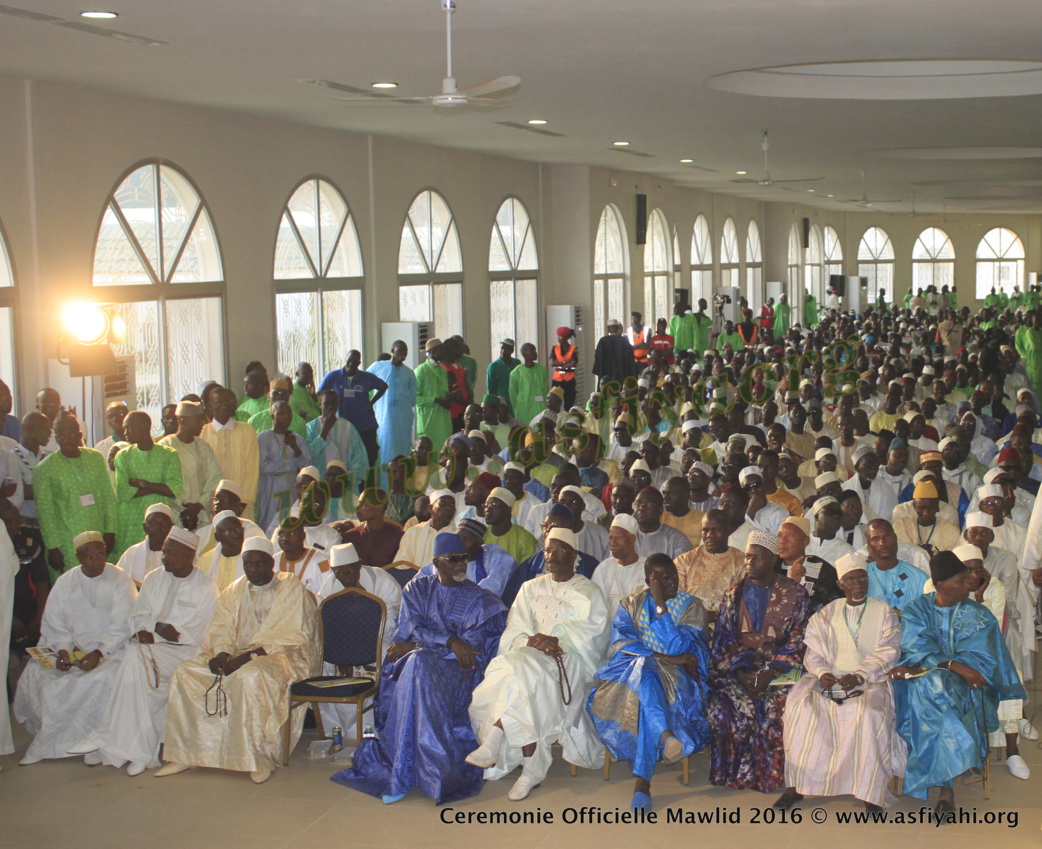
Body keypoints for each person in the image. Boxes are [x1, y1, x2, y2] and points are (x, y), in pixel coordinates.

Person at [332, 532, 506, 804]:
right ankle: (422, 773)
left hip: (459, 676)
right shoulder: (417, 589)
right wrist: (448, 640)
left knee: (418, 664)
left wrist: (417, 646)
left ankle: (401, 773)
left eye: (464, 558)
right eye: (453, 559)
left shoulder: (480, 599)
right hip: (417, 667)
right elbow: (408, 629)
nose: (461, 564)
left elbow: (469, 654)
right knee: (418, 666)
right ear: (437, 562)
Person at [156, 536, 320, 784]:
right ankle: (187, 753)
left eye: (259, 564)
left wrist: (247, 657)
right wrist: (222, 653)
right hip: (237, 654)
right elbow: (221, 626)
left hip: (282, 657)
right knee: (186, 672)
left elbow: (288, 634)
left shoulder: (289, 585)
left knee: (249, 676)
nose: (253, 570)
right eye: (248, 565)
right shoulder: (235, 588)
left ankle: (256, 757)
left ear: (270, 562)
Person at [467, 527, 610, 801]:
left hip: (568, 659)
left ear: (573, 554)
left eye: (558, 549)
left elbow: (595, 635)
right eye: (547, 549)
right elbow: (514, 629)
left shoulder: (589, 591)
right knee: (516, 671)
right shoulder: (530, 587)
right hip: (528, 653)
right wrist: (533, 640)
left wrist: (555, 638)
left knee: (517, 674)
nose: (551, 555)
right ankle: (531, 768)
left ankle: (496, 737)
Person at [70, 527, 218, 775]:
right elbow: (139, 615)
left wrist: (158, 632)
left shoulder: (205, 586)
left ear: (190, 555)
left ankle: (106, 737)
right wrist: (153, 627)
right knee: (136, 666)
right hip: (149, 649)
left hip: (185, 653)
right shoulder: (153, 578)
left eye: (172, 554)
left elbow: (194, 633)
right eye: (164, 553)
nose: (165, 558)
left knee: (133, 659)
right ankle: (139, 752)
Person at [890, 551, 1025, 813]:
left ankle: (944, 784)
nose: (969, 584)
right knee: (936, 686)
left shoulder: (979, 614)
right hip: (918, 686)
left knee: (939, 688)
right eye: (962, 580)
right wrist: (953, 665)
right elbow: (915, 646)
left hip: (967, 690)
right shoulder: (917, 609)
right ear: (941, 585)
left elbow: (983, 662)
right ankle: (950, 782)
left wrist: (942, 666)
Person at [776, 554, 905, 811]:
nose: (858, 584)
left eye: (862, 578)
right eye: (851, 580)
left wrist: (860, 674)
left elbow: (890, 650)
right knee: (801, 709)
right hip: (829, 679)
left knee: (866, 714)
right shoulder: (827, 613)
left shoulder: (884, 611)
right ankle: (796, 787)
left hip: (870, 680)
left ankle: (870, 792)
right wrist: (823, 672)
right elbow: (813, 652)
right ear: (840, 584)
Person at [588, 554, 711, 812]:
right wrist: (663, 657)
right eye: (661, 579)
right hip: (631, 675)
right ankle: (665, 738)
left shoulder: (691, 605)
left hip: (679, 682)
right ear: (648, 580)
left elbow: (682, 647)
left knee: (644, 680)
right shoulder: (630, 604)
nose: (670, 583)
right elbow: (620, 645)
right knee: (644, 669)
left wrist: (659, 603)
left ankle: (643, 783)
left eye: (673, 577)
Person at [13, 530, 137, 764]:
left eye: (101, 554)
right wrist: (61, 651)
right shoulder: (65, 582)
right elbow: (54, 624)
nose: (97, 561)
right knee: (39, 673)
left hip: (112, 652)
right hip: (72, 651)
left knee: (101, 679)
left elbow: (122, 627)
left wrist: (99, 654)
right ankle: (53, 743)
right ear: (79, 557)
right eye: (90, 557)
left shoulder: (120, 579)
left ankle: (95, 742)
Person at [708, 530, 811, 792]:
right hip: (739, 669)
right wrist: (742, 673)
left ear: (773, 559)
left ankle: (770, 777)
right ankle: (735, 775)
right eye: (747, 558)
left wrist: (771, 672)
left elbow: (799, 640)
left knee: (776, 707)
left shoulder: (796, 593)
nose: (749, 563)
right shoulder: (733, 595)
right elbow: (723, 639)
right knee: (724, 706)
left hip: (781, 669)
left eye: (756, 558)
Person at [34, 411, 117, 581]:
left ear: (80, 435)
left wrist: (111, 531)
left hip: (99, 537)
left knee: (103, 588)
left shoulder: (94, 458)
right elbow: (45, 512)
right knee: (72, 592)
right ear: (56, 438)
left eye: (72, 434)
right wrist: (53, 548)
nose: (67, 439)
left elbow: (108, 497)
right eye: (61, 435)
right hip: (67, 544)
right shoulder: (45, 469)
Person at [112, 410, 182, 559]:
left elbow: (173, 488)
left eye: (130, 427)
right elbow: (124, 493)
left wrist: (142, 484)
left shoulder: (169, 454)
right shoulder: (123, 456)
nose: (125, 432)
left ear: (145, 426)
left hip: (159, 524)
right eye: (124, 428)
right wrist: (158, 487)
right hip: (130, 522)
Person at [159, 400, 223, 531]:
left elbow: (215, 478)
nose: (202, 425)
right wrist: (184, 510)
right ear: (182, 420)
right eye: (198, 420)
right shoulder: (165, 446)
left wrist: (198, 505)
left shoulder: (203, 447)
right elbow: (164, 483)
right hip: (176, 516)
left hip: (201, 514)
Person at [318, 349, 388, 468]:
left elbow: (383, 386)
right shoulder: (334, 376)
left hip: (365, 426)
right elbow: (320, 393)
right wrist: (328, 408)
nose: (351, 364)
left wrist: (371, 402)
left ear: (359, 363)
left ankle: (368, 485)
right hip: (344, 426)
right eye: (350, 361)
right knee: (347, 459)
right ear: (345, 359)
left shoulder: (365, 377)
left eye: (355, 362)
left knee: (368, 459)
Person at [200, 387, 261, 516]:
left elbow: (252, 469)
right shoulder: (202, 433)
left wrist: (243, 502)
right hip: (212, 506)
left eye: (227, 402)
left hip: (241, 506)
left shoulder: (247, 431)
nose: (224, 406)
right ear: (210, 406)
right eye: (218, 402)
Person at [673, 508, 746, 613]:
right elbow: (675, 596)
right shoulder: (685, 560)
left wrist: (717, 615)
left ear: (728, 530)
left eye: (716, 530)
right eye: (705, 530)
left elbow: (743, 601)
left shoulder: (741, 562)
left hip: (725, 622)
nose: (710, 535)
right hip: (687, 618)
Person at [257, 400, 312, 529]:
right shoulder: (264, 437)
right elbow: (264, 466)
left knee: (291, 522)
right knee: (269, 525)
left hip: (292, 489)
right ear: (272, 416)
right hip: (271, 490)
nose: (286, 417)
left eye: (288, 414)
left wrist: (295, 447)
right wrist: (292, 465)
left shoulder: (297, 439)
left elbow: (307, 466)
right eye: (281, 413)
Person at [368, 340, 417, 464]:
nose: (403, 354)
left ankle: (403, 481)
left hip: (403, 419)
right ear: (392, 350)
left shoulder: (409, 373)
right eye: (400, 350)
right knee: (385, 449)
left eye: (405, 352)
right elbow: (363, 381)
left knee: (403, 450)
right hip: (384, 418)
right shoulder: (378, 367)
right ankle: (385, 483)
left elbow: (412, 400)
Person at [863, 518, 927, 613]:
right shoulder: (863, 576)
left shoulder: (919, 578)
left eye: (887, 537)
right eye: (875, 539)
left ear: (895, 538)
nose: (882, 543)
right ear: (868, 545)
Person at [591, 513, 646, 618]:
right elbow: (595, 608)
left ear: (632, 539)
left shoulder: (646, 568)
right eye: (611, 538)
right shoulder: (603, 568)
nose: (613, 542)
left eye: (618, 538)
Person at [342, 488, 405, 568]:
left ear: (380, 507)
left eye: (364, 504)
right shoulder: (351, 536)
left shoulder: (397, 537)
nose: (357, 508)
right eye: (358, 503)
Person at [115, 503, 174, 586]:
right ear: (145, 526)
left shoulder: (178, 554)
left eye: (163, 523)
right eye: (153, 522)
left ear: (171, 527)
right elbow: (118, 582)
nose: (158, 527)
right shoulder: (131, 553)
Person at [415, 338, 453, 454]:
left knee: (444, 452)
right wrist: (435, 400)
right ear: (432, 351)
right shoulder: (421, 370)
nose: (444, 352)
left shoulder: (443, 370)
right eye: (441, 349)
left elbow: (445, 392)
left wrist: (449, 398)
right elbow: (414, 398)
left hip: (443, 420)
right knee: (429, 454)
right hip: (428, 421)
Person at [509, 342, 549, 426]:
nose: (535, 353)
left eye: (535, 351)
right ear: (523, 353)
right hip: (524, 411)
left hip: (540, 409)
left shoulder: (542, 370)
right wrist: (518, 409)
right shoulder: (516, 373)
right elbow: (513, 396)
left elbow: (546, 391)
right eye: (531, 351)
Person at [593, 319, 637, 385]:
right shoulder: (624, 341)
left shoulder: (603, 341)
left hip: (605, 375)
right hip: (621, 375)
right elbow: (630, 359)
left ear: (608, 329)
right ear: (618, 328)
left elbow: (598, 358)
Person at [486, 338, 520, 415]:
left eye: (506, 348)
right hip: (501, 403)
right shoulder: (493, 366)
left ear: (512, 350)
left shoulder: (517, 363)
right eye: (502, 348)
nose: (503, 351)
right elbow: (490, 390)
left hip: (517, 402)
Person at [550, 326, 579, 409]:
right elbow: (552, 363)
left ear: (567, 337)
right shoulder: (555, 348)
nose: (559, 338)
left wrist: (560, 364)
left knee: (569, 402)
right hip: (557, 379)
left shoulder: (574, 348)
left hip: (569, 379)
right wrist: (565, 363)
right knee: (554, 401)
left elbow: (574, 362)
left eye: (561, 336)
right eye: (558, 336)